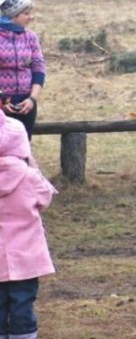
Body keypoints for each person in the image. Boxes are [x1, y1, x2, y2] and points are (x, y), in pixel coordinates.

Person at [0, 110, 56, 338]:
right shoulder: (29, 178)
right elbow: (45, 199)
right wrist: (32, 167)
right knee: (23, 302)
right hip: (26, 256)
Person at [0, 0, 46, 140]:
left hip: (26, 105)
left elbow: (38, 68)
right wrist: (2, 101)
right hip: (2, 106)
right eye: (26, 13)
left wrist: (32, 99)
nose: (31, 17)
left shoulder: (30, 37)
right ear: (13, 16)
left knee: (23, 148)